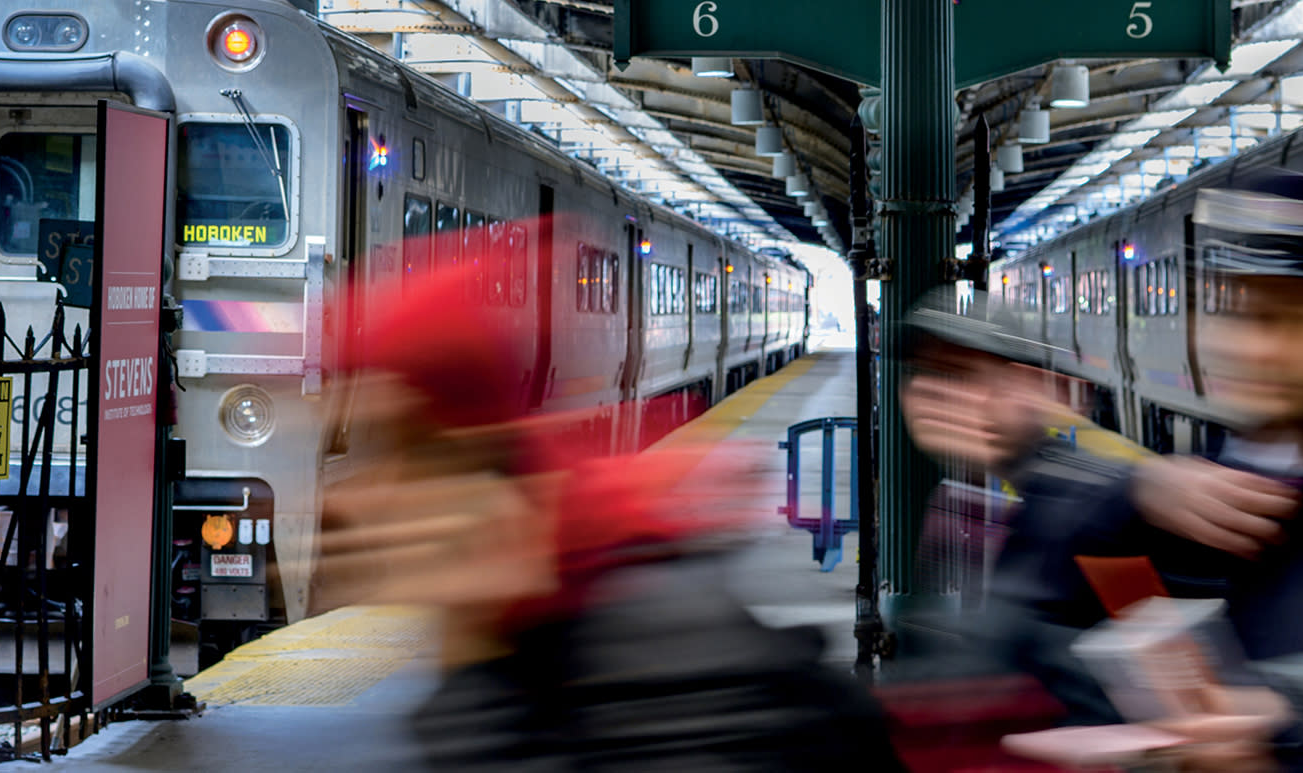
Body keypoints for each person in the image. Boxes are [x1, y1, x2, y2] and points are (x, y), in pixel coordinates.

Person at [314, 264, 901, 771]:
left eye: (398, 452)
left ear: (484, 474)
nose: (357, 497)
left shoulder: (669, 681)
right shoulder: (557, 642)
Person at [999, 175, 1303, 769]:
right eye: (1236, 314)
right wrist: (1134, 497)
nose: (1255, 351)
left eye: (1292, 321)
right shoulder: (1198, 497)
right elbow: (1036, 612)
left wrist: (1296, 729)